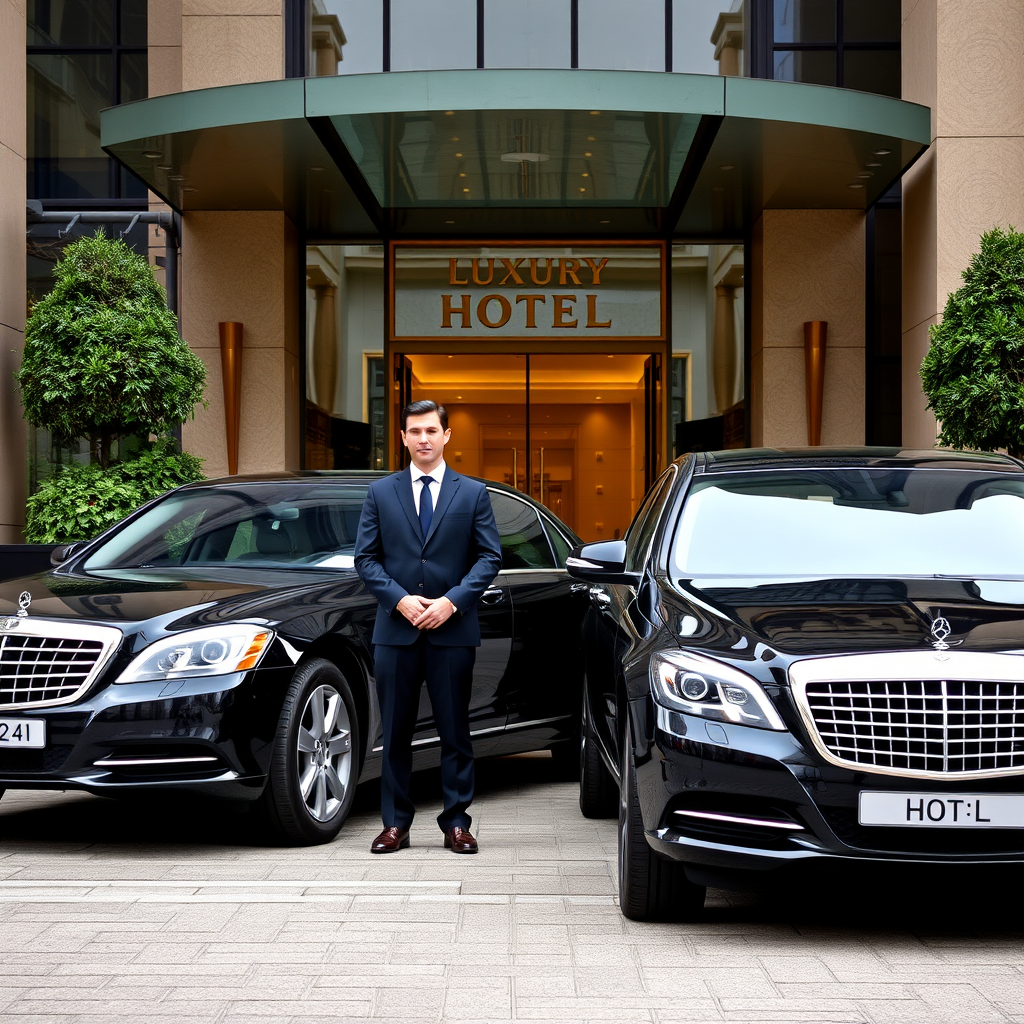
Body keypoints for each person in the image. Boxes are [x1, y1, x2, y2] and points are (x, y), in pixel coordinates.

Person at [354, 400, 502, 854]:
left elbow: (489, 557)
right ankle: (395, 824)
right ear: (402, 437)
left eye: (431, 431)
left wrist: (451, 603)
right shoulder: (381, 493)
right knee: (395, 732)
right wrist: (398, 599)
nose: (423, 439)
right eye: (414, 431)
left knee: (455, 730)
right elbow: (365, 558)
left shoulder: (472, 493)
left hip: (452, 632)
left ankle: (457, 823)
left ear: (446, 436)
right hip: (395, 633)